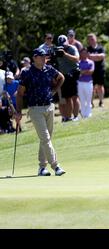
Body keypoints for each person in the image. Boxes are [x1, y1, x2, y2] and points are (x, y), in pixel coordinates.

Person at [15, 48, 66, 176]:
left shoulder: (49, 69)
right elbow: (20, 94)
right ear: (35, 58)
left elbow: (61, 78)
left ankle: (42, 168)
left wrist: (54, 90)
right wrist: (18, 111)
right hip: (35, 109)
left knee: (46, 140)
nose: (44, 58)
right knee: (46, 138)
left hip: (49, 107)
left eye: (45, 56)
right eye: (41, 56)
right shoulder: (26, 72)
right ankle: (55, 166)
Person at [55, 35, 81, 122]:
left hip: (73, 74)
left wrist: (65, 54)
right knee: (67, 98)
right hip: (64, 76)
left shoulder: (72, 48)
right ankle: (69, 117)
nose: (63, 46)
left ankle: (76, 116)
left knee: (74, 96)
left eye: (64, 44)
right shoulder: (57, 49)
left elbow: (77, 59)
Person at [87, 33, 106, 107]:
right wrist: (97, 57)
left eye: (92, 38)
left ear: (96, 39)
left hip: (100, 69)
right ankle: (91, 103)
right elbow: (87, 57)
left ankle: (101, 102)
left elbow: (102, 56)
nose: (91, 40)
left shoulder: (101, 47)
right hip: (91, 70)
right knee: (91, 87)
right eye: (90, 39)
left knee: (100, 86)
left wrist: (92, 56)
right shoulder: (87, 49)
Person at [77, 48, 95, 118]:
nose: (84, 54)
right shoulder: (78, 63)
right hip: (80, 83)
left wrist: (83, 72)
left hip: (88, 82)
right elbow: (79, 72)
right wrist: (85, 71)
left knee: (88, 98)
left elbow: (91, 71)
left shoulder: (91, 62)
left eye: (85, 53)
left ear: (87, 53)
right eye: (82, 53)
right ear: (80, 54)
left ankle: (88, 113)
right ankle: (84, 114)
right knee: (82, 99)